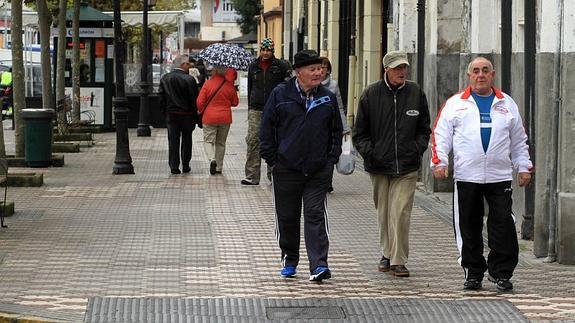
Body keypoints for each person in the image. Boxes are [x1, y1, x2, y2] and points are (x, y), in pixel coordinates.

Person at [431, 56, 533, 291]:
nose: (480, 75)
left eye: (485, 70)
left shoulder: (506, 103)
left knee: (503, 225)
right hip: (467, 177)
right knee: (468, 225)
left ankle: (502, 272)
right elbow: (441, 135)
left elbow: (519, 138)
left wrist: (524, 166)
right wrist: (439, 162)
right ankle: (473, 272)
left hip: (499, 177)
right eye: (476, 71)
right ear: (469, 76)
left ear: (492, 74)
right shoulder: (456, 104)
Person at [260, 49, 343, 282]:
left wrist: (331, 159)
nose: (319, 73)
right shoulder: (280, 94)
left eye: (320, 69)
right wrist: (273, 161)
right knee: (287, 216)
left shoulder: (327, 96)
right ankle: (289, 258)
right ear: (298, 72)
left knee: (315, 214)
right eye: (313, 69)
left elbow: (336, 130)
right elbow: (266, 131)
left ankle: (319, 264)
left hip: (318, 170)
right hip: (286, 169)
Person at [352, 50, 431, 278]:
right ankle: (386, 253)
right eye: (397, 68)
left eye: (404, 67)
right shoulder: (371, 94)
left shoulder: (415, 92)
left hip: (407, 165)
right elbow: (360, 133)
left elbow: (424, 126)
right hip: (379, 166)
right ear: (386, 69)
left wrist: (417, 147)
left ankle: (398, 260)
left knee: (401, 211)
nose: (402, 72)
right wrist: (371, 153)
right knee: (384, 212)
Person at [241, 38, 290, 186]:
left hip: (275, 108)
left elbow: (287, 87)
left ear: (273, 51)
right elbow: (250, 88)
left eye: (268, 50)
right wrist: (250, 107)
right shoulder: (253, 66)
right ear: (260, 50)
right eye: (263, 49)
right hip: (256, 109)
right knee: (253, 140)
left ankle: (274, 174)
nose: (265, 52)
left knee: (274, 140)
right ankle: (252, 175)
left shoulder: (280, 66)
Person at [158, 54, 200, 175]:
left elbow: (161, 97)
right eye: (188, 64)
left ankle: (174, 166)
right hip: (186, 114)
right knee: (187, 139)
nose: (190, 66)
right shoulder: (189, 79)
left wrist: (164, 112)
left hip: (171, 114)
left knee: (173, 140)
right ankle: (185, 164)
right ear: (183, 65)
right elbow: (194, 100)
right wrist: (196, 117)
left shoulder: (165, 78)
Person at [197, 66, 239, 175]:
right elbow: (235, 103)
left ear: (214, 71)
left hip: (209, 117)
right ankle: (219, 167)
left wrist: (201, 110)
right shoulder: (230, 85)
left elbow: (200, 101)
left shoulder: (208, 84)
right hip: (225, 117)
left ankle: (212, 159)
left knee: (208, 141)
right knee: (221, 143)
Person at [319, 56, 351, 193]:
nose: (321, 70)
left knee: (329, 154)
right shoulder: (311, 83)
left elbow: (339, 107)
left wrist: (345, 127)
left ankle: (327, 181)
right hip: (315, 126)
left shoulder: (333, 85)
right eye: (319, 67)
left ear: (328, 70)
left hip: (330, 125)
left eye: (324, 67)